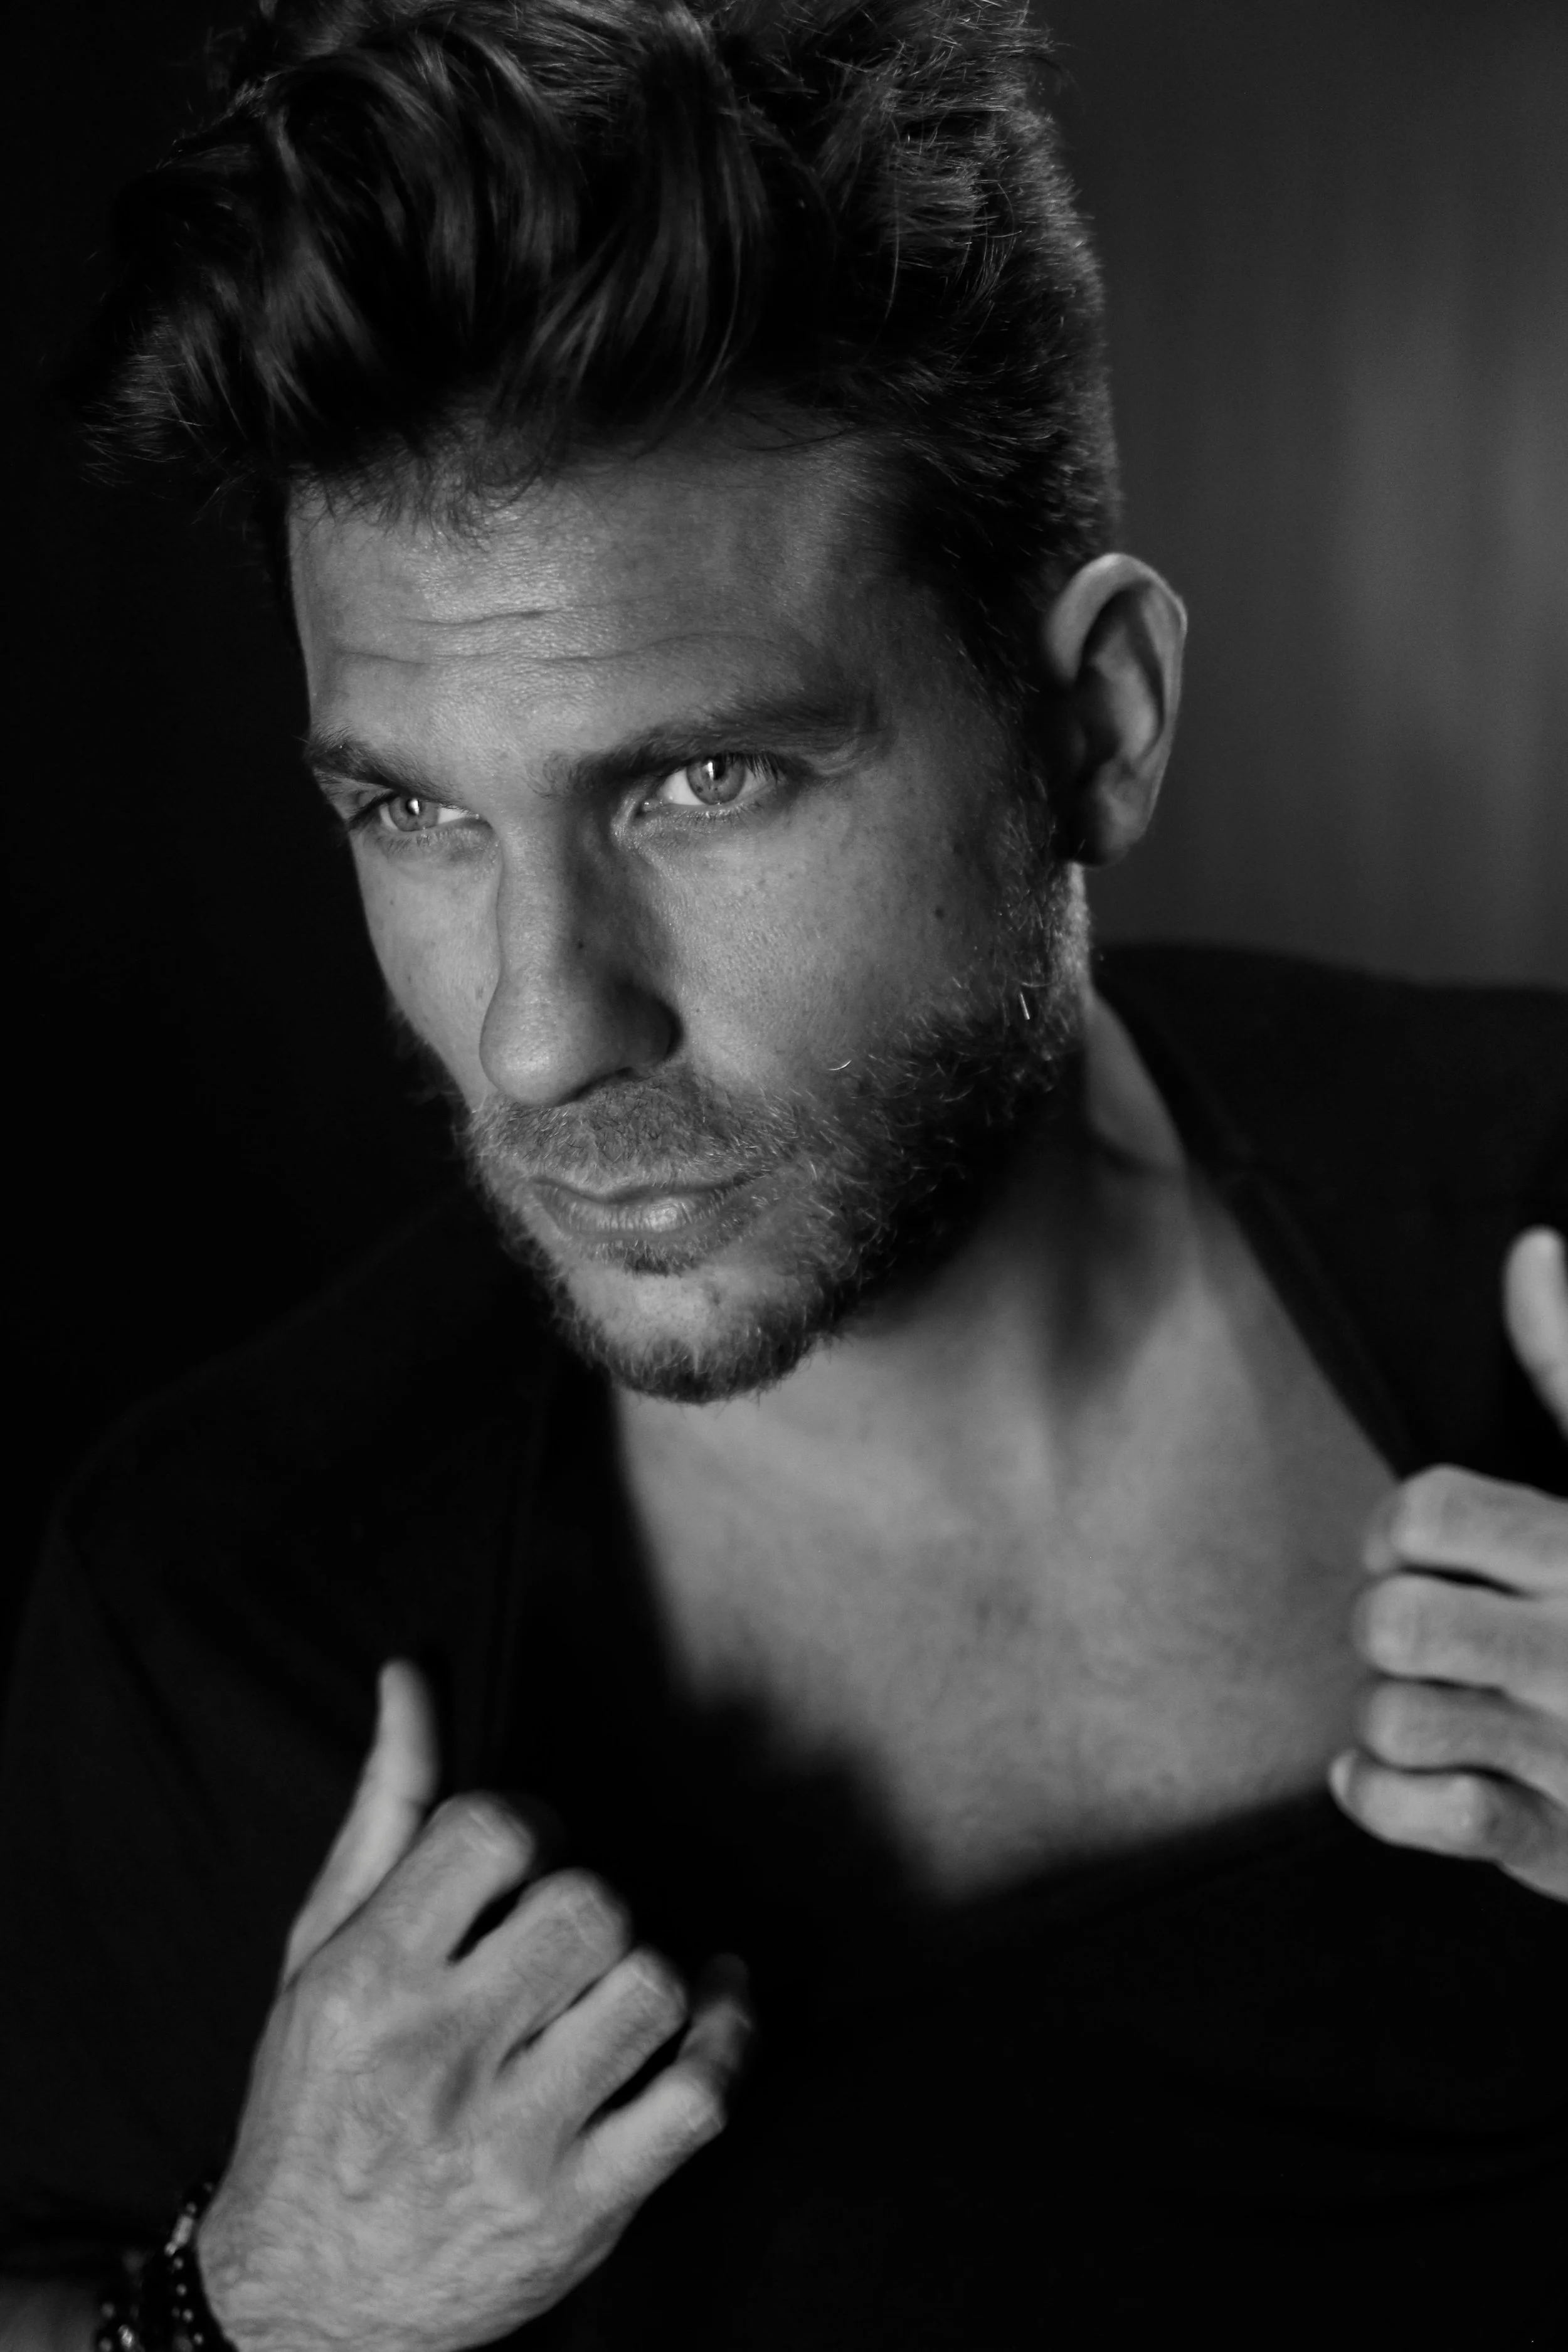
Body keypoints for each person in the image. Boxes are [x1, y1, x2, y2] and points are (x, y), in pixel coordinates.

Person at [3, 0, 1566, 2344]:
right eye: (410, 811)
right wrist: (258, 2300)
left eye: (699, 784)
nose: (539, 1031)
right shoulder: (224, 1605)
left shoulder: (1540, 1197)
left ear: (1093, 726)